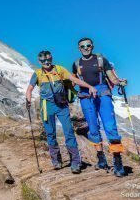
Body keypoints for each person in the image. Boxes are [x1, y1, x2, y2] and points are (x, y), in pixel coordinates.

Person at [26, 51, 97, 174]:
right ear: (39, 61)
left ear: (51, 58)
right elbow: (30, 88)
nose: (46, 62)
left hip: (62, 105)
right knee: (50, 133)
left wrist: (89, 86)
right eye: (43, 61)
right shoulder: (37, 73)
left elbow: (74, 79)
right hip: (46, 106)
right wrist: (28, 99)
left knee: (69, 132)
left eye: (48, 59)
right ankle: (56, 161)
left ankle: (75, 162)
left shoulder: (60, 69)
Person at [72, 37, 127, 177]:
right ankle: (101, 158)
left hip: (103, 93)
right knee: (93, 128)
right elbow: (73, 81)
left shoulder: (101, 60)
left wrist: (119, 82)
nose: (85, 48)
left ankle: (117, 161)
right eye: (82, 46)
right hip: (86, 96)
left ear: (92, 46)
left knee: (110, 127)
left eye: (88, 45)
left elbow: (111, 77)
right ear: (79, 48)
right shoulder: (76, 64)